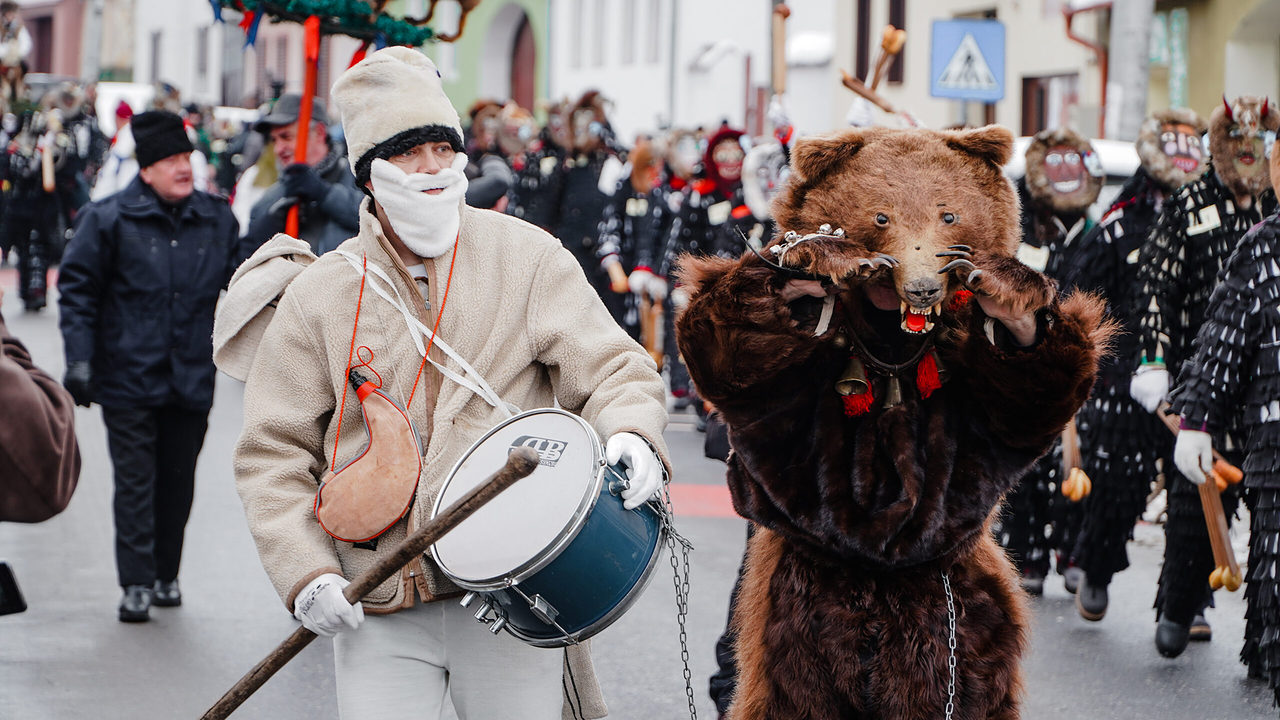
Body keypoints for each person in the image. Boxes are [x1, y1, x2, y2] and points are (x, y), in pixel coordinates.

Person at [229, 47, 669, 720]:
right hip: (377, 599)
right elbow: (273, 452)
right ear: (370, 173)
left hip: (515, 589)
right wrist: (304, 569)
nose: (433, 168)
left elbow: (613, 367)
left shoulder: (527, 256)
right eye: (409, 152)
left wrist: (634, 430)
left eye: (443, 147)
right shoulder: (321, 293)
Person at [56, 110, 246, 623]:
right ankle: (136, 583)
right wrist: (79, 359)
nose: (183, 167)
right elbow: (78, 292)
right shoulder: (108, 219)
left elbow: (246, 281)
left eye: (186, 157)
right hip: (128, 377)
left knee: (177, 482)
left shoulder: (216, 217)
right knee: (136, 483)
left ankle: (166, 574)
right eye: (170, 160)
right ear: (145, 169)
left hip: (190, 376)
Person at [1130, 94, 1278, 657]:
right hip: (1205, 376)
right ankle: (1181, 601)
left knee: (1270, 510)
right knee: (1194, 501)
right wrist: (1154, 360)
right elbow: (1155, 286)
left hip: (1266, 383)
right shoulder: (1190, 202)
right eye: (1237, 143)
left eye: (1258, 144)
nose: (1247, 152)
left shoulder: (1274, 211)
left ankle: (1268, 635)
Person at [1063, 108, 1209, 621]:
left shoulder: (1212, 222)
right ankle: (1096, 568)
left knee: (1193, 490)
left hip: (1196, 375)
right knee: (1118, 483)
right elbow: (1081, 298)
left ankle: (1186, 599)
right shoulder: (1120, 226)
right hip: (1125, 379)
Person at [1169, 136, 1280, 701]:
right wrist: (1196, 420)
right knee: (1275, 559)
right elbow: (1222, 343)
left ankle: (1263, 641)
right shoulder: (1261, 248)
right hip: (1273, 435)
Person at [995, 127, 1102, 595]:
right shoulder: (1019, 222)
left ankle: (1071, 551)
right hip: (1022, 353)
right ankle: (1026, 555)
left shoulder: (1093, 229)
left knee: (1077, 458)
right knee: (1027, 459)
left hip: (1075, 353)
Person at [244, 94, 362, 256]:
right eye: (274, 140)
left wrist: (325, 194)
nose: (278, 149)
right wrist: (265, 231)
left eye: (286, 137)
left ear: (319, 133)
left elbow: (380, 220)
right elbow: (246, 262)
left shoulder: (360, 178)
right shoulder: (270, 199)